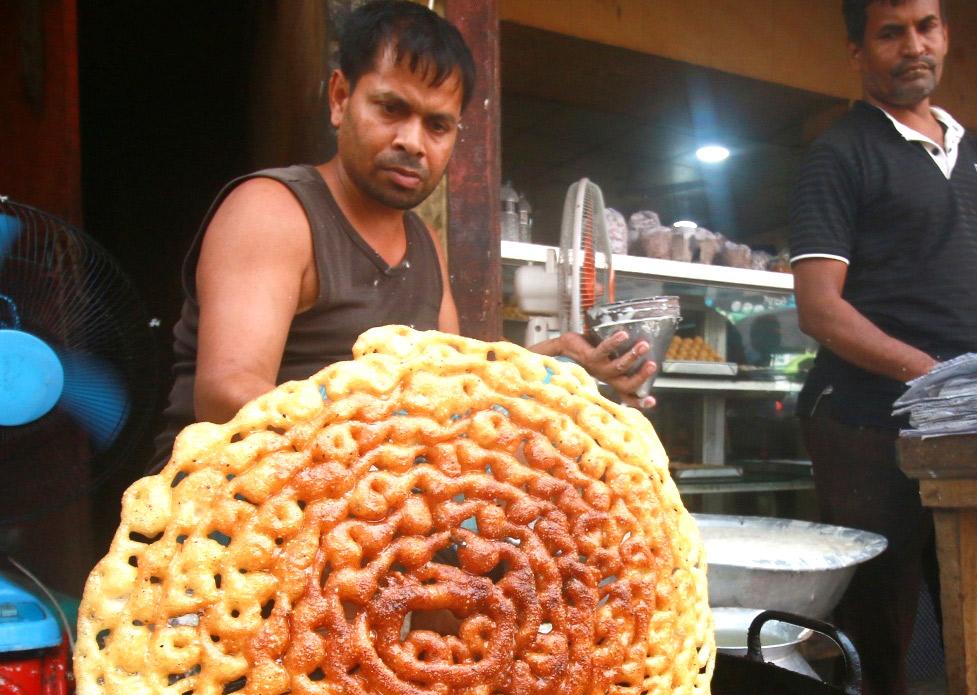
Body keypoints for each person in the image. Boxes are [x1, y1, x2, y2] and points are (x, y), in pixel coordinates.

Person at [153, 0, 653, 463]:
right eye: (392, 109)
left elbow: (458, 387)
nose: (412, 142)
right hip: (232, 510)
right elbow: (225, 395)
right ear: (340, 97)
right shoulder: (273, 210)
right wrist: (394, 436)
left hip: (364, 506)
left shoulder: (424, 247)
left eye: (437, 125)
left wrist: (563, 370)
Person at [789, 0, 977, 695]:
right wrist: (931, 374)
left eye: (926, 26)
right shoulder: (840, 153)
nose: (913, 45)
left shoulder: (971, 151)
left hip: (968, 424)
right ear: (857, 51)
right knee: (880, 622)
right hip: (866, 422)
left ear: (945, 34)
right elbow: (819, 308)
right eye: (890, 32)